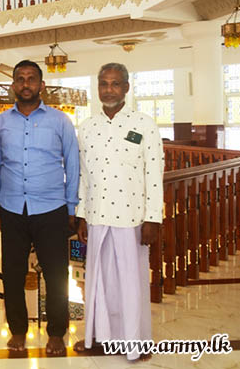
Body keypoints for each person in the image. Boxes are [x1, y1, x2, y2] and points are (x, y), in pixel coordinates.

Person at [0, 60, 79, 356]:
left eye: (31, 79)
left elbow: (73, 165)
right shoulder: (1, 122)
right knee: (12, 274)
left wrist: (72, 208)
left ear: (41, 85)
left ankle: (56, 332)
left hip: (52, 208)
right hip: (12, 208)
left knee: (56, 275)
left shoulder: (60, 121)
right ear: (13, 85)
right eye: (20, 79)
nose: (25, 84)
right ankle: (17, 330)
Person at [74, 63, 163, 361]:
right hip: (97, 216)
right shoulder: (87, 127)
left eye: (115, 84)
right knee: (98, 281)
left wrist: (153, 218)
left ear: (126, 87)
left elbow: (154, 174)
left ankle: (136, 342)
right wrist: (81, 214)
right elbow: (83, 175)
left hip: (132, 218)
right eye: (103, 83)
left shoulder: (144, 124)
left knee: (131, 282)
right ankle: (99, 338)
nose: (108, 89)